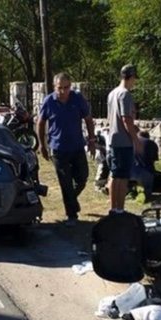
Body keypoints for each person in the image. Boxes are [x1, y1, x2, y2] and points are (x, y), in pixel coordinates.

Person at [37, 72, 95, 227]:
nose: (63, 91)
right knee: (66, 183)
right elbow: (41, 123)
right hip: (58, 149)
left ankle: (71, 200)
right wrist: (42, 144)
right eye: (60, 88)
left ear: (71, 86)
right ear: (55, 87)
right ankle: (72, 214)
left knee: (82, 178)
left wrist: (92, 140)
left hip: (77, 146)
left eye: (66, 87)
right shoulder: (49, 101)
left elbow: (88, 120)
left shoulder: (77, 99)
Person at [107, 64, 142, 213]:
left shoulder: (112, 93)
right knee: (122, 177)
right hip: (124, 141)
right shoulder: (125, 94)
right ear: (131, 77)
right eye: (134, 79)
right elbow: (126, 119)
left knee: (115, 175)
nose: (134, 82)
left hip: (113, 139)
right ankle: (119, 209)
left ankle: (113, 208)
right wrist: (136, 140)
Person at [129, 128, 159, 200]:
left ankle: (129, 190)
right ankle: (144, 193)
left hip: (129, 173)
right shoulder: (152, 144)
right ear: (148, 137)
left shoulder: (130, 142)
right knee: (147, 194)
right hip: (145, 173)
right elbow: (153, 161)